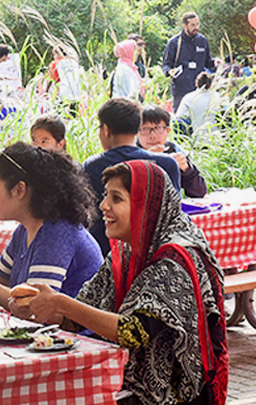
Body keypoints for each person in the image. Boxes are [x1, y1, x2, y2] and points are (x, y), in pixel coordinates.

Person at [28, 160, 228, 405]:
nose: (103, 206)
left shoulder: (176, 258)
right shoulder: (126, 252)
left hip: (175, 401)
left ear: (147, 206)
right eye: (105, 196)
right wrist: (40, 306)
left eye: (116, 198)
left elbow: (133, 332)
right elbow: (80, 311)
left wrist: (61, 303)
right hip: (129, 385)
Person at [0, 142, 102, 315]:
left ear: (19, 190)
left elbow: (32, 306)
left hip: (77, 339)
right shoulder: (25, 229)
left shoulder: (56, 233)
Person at [83, 98, 181, 255]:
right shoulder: (167, 164)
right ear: (137, 129)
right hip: (159, 253)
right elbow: (175, 216)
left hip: (107, 254)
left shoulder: (93, 166)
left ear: (106, 130)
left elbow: (90, 218)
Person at [137, 104, 207, 198]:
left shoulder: (173, 150)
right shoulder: (131, 153)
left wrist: (186, 169)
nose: (152, 135)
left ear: (167, 131)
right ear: (136, 133)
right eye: (145, 129)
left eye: (158, 128)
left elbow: (199, 192)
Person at [162, 12, 216, 111]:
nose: (196, 27)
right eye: (192, 25)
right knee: (180, 120)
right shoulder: (174, 42)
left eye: (197, 24)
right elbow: (166, 65)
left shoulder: (202, 41)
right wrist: (170, 71)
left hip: (200, 89)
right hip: (181, 90)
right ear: (185, 26)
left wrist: (217, 64)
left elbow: (208, 63)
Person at [47, 46, 82, 116]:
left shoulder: (56, 63)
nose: (54, 57)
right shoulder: (74, 61)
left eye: (54, 54)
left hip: (63, 95)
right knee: (73, 117)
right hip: (76, 94)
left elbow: (53, 80)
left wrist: (46, 91)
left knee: (60, 117)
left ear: (58, 54)